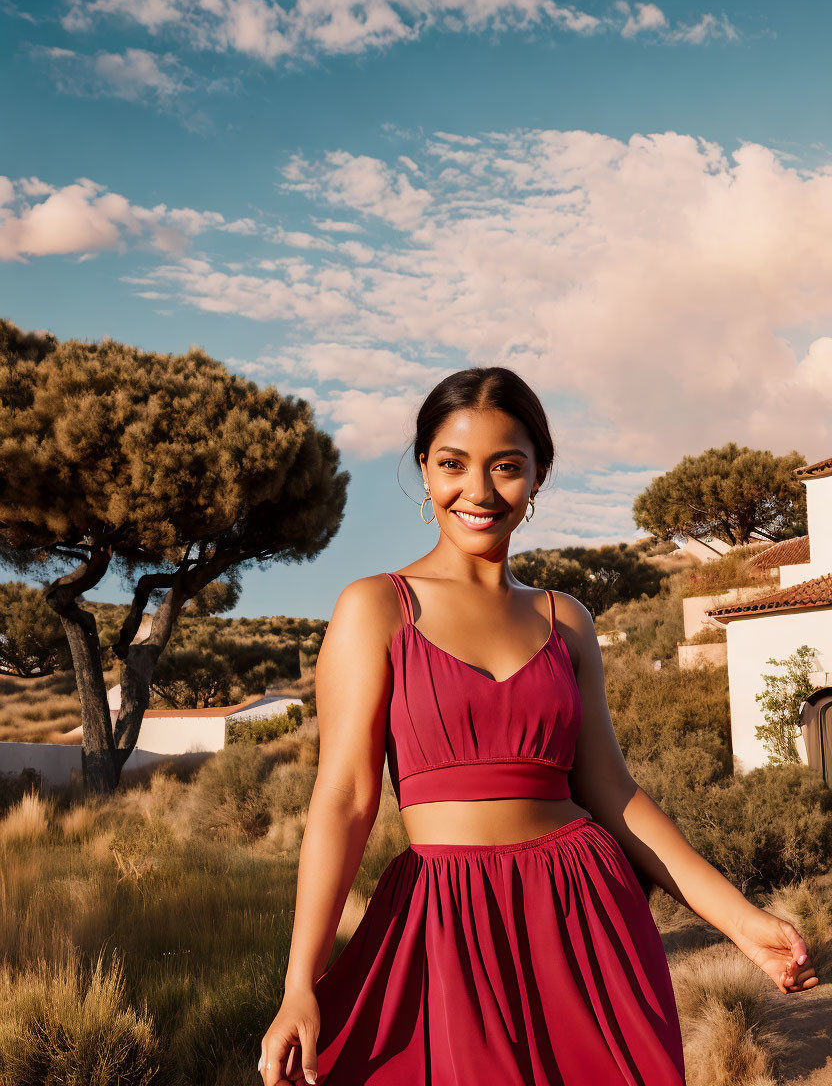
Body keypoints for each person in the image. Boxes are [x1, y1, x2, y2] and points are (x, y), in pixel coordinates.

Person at [258, 367, 817, 1086]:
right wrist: (300, 980)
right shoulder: (376, 607)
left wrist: (744, 925)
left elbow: (615, 795)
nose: (480, 492)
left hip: (584, 919)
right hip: (444, 924)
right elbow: (346, 799)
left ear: (538, 476)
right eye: (454, 465)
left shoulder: (567, 619)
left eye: (507, 468)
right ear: (424, 470)